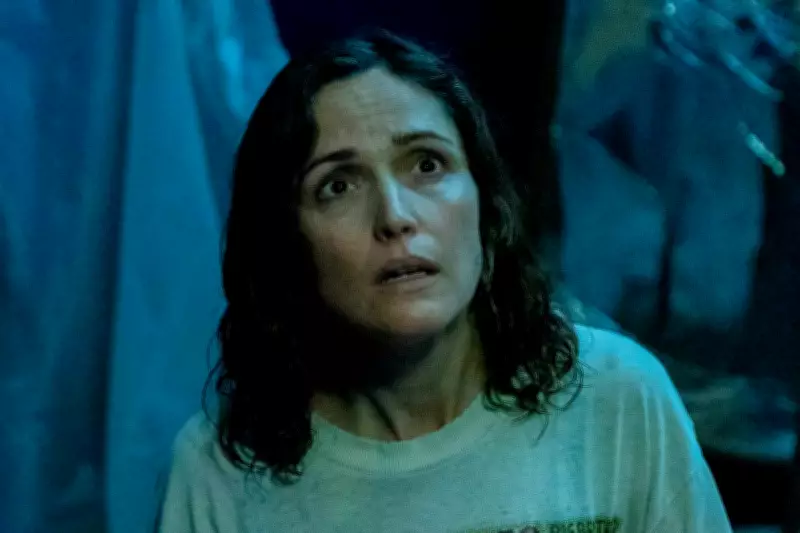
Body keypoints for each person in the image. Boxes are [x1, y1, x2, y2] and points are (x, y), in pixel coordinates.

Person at [157, 31, 732, 533]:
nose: (395, 216)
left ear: (484, 201)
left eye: (427, 165)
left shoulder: (616, 397)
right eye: (338, 186)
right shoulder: (220, 468)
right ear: (287, 242)